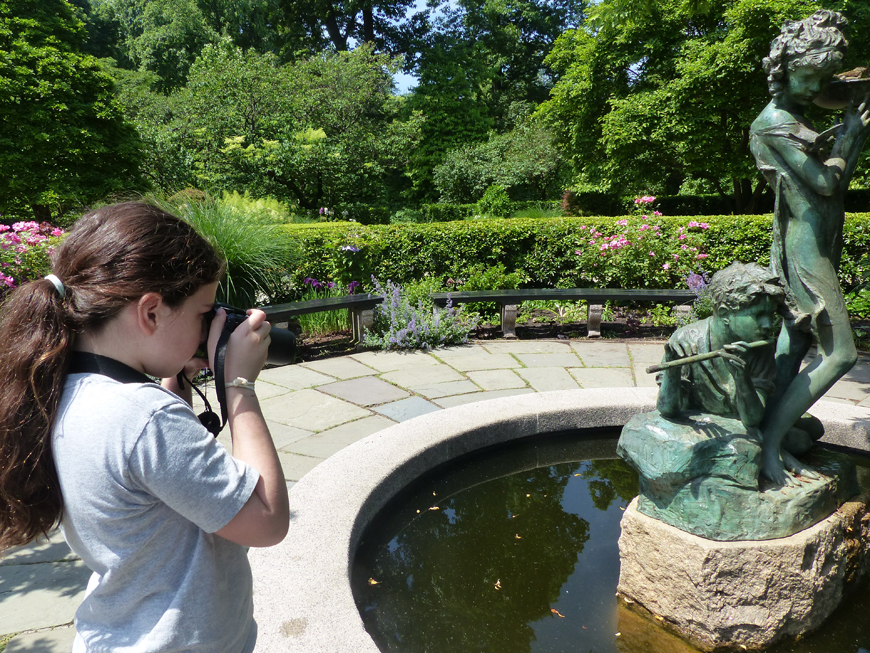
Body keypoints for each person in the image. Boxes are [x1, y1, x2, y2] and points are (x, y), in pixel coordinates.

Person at [0, 202, 289, 652]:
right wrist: (239, 384)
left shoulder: (64, 390)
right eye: (202, 313)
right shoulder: (146, 418)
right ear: (151, 311)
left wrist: (175, 378)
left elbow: (154, 477)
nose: (204, 328)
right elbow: (267, 521)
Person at [750, 10, 870, 486]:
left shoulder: (796, 119)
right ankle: (769, 448)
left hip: (821, 243)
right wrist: (848, 139)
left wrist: (851, 139)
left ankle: (765, 429)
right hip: (806, 253)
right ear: (783, 73)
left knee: (793, 345)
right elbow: (823, 183)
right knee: (841, 354)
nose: (812, 88)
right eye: (806, 78)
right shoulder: (774, 123)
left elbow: (836, 187)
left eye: (821, 79)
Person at [657, 262, 782, 434]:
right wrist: (672, 370)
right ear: (724, 314)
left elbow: (752, 419)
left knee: (806, 434)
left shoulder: (761, 348)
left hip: (736, 424)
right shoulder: (686, 339)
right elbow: (667, 410)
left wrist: (742, 378)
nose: (768, 325)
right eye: (759, 315)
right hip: (690, 425)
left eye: (771, 314)